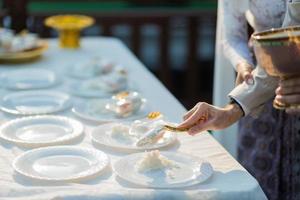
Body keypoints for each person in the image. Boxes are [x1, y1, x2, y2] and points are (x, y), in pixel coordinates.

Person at [178, 0, 300, 199]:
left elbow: (288, 42)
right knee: (257, 175)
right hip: (260, 79)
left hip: (272, 79)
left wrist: (232, 110)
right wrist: (243, 71)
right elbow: (233, 36)